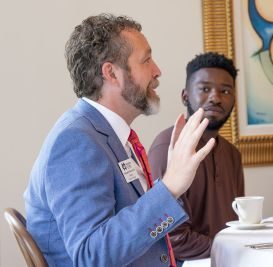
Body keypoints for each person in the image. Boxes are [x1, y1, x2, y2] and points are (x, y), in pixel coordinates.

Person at [23, 14, 215, 267]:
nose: (157, 71)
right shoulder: (76, 141)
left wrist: (167, 186)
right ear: (111, 73)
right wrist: (169, 188)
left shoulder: (107, 134)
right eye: (146, 60)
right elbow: (92, 255)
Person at [148, 52, 245, 261]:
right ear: (185, 95)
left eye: (225, 91)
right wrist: (231, 250)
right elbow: (170, 238)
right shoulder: (168, 146)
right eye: (204, 89)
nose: (215, 97)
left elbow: (239, 223)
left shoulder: (232, 155)